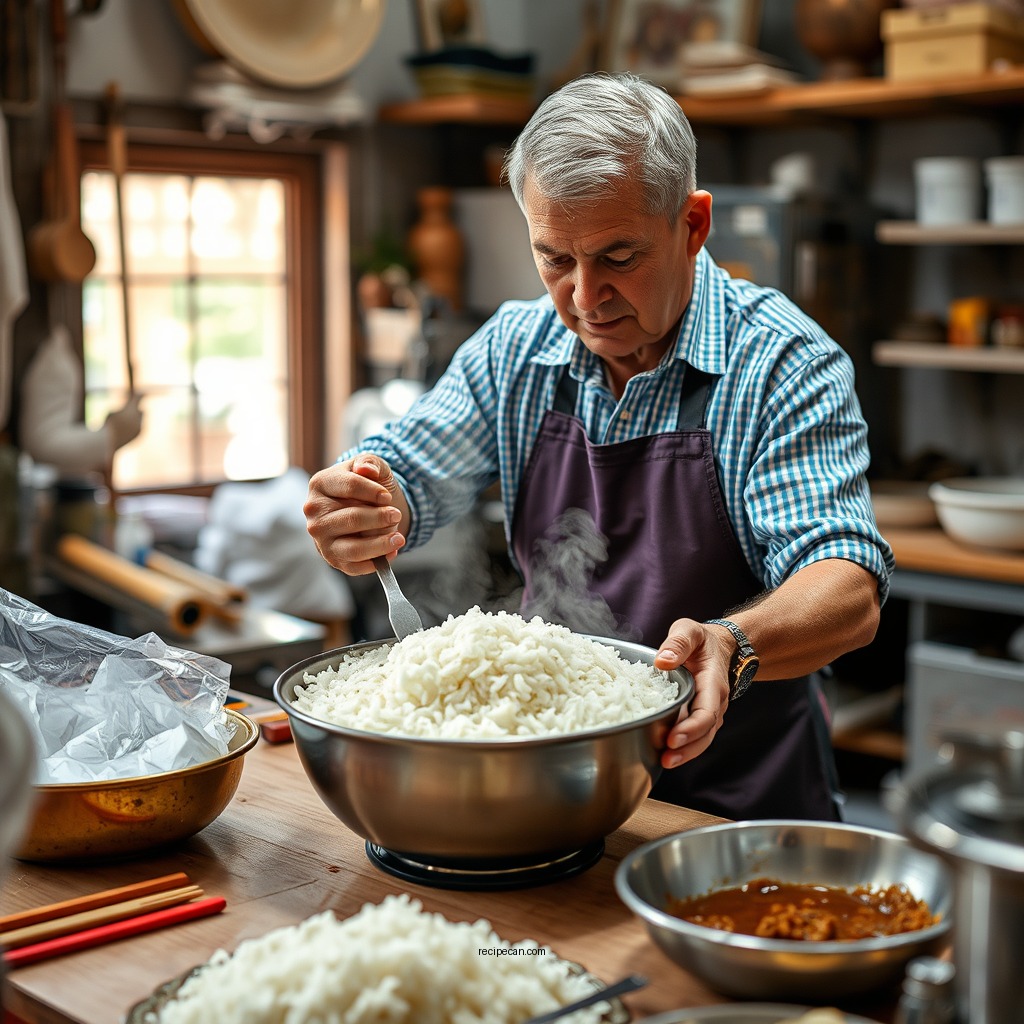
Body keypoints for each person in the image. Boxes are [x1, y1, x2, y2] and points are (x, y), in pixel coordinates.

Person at [304, 72, 894, 822]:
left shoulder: (781, 364)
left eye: (619, 257)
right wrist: (362, 502)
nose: (584, 297)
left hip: (736, 808)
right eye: (554, 258)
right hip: (556, 792)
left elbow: (846, 585)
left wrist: (732, 643)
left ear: (692, 224)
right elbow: (409, 469)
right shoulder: (513, 350)